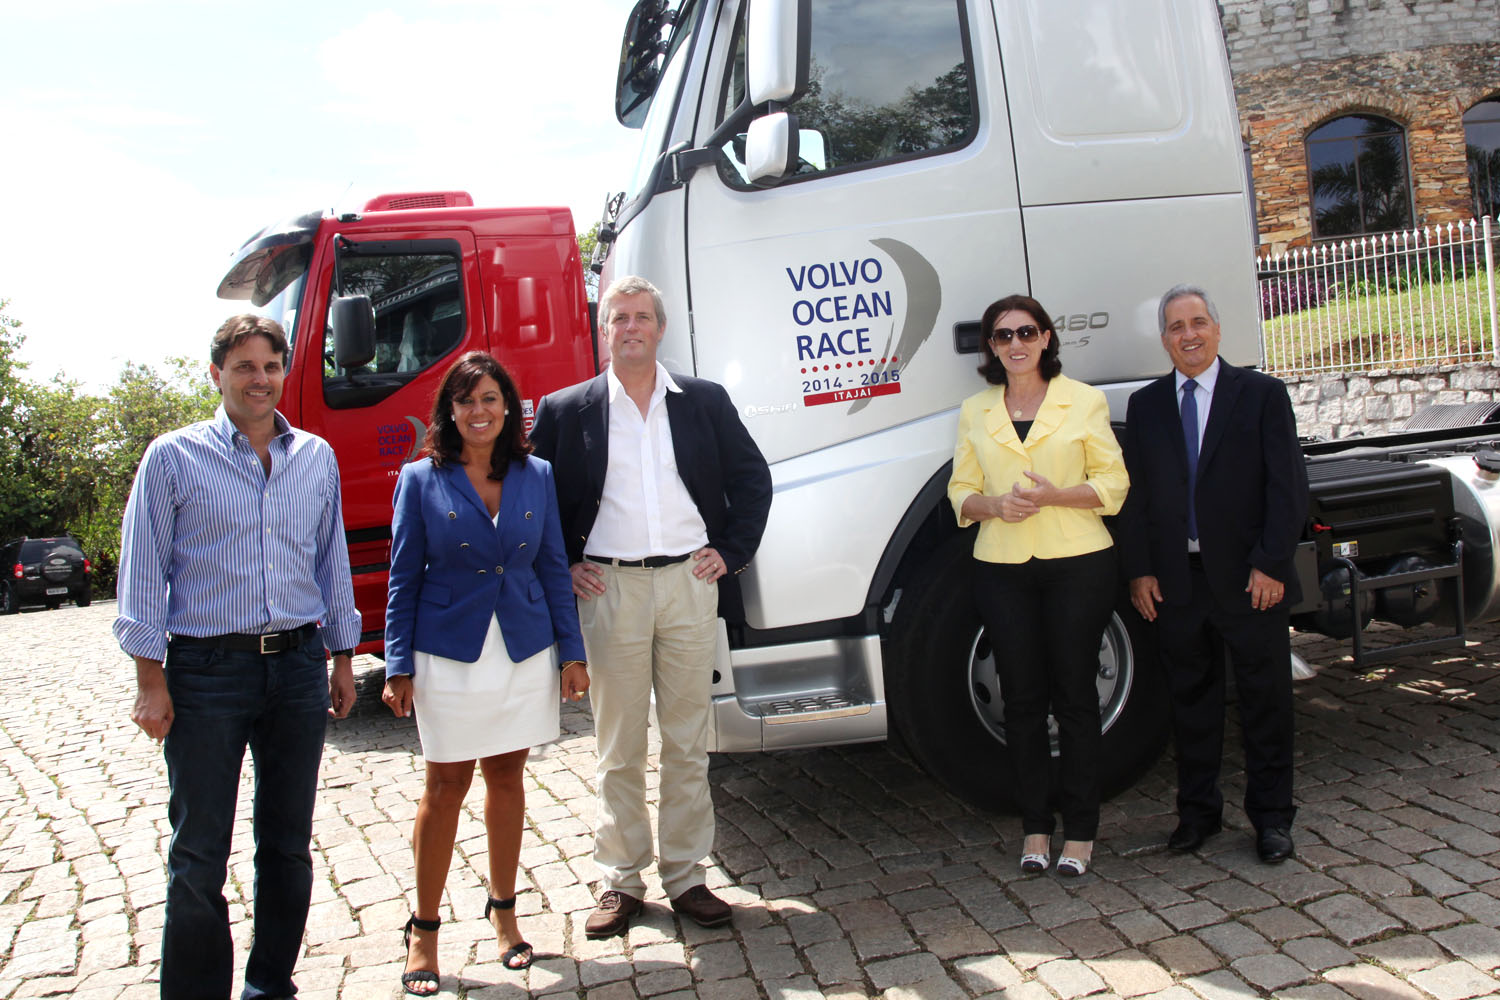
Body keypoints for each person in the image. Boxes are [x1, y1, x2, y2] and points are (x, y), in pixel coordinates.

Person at [114, 314, 361, 1000]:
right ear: (216, 374)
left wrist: (342, 657)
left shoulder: (315, 457)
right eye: (245, 366)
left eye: (271, 366)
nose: (260, 379)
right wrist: (150, 681)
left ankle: (270, 985)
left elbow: (331, 561)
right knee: (198, 854)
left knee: (287, 845)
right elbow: (142, 573)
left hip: (297, 667)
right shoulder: (172, 458)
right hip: (206, 674)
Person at [529, 275, 772, 938]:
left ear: (660, 328)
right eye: (619, 318)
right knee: (619, 744)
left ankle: (688, 876)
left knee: (688, 740)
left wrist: (731, 551)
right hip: (609, 590)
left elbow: (753, 479)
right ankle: (621, 880)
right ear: (603, 330)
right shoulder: (566, 410)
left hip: (690, 584)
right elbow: (533, 501)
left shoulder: (703, 402)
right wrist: (564, 564)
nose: (630, 327)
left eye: (641, 317)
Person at [381, 351, 589, 993]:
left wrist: (572, 652)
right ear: (449, 410)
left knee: (507, 777)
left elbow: (552, 564)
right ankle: (424, 929)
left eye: (490, 399)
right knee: (445, 786)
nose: (479, 411)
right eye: (466, 400)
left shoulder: (537, 474)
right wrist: (397, 664)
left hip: (522, 649)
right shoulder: (420, 479)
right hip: (447, 654)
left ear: (509, 408)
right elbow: (402, 577)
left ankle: (504, 913)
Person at [1118, 284, 1308, 864]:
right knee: (1190, 706)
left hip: (1252, 581)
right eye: (1176, 327)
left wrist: (1271, 563)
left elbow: (1287, 487)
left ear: (1218, 330)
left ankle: (1272, 820)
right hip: (1178, 583)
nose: (1189, 335)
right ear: (1164, 339)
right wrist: (1140, 571)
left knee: (1265, 704)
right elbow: (1134, 498)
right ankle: (1198, 815)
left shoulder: (1261, 394)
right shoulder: (1146, 406)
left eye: (1198, 322)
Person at [947, 293, 1129, 877]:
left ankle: (1082, 831)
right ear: (991, 348)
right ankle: (1035, 826)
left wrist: (1057, 496)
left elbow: (1114, 484)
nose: (1016, 344)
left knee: (1075, 697)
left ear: (1046, 338)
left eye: (1026, 332)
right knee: (1021, 700)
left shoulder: (1084, 400)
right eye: (1003, 336)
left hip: (1079, 562)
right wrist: (995, 505)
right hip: (1001, 566)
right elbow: (960, 492)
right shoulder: (975, 409)